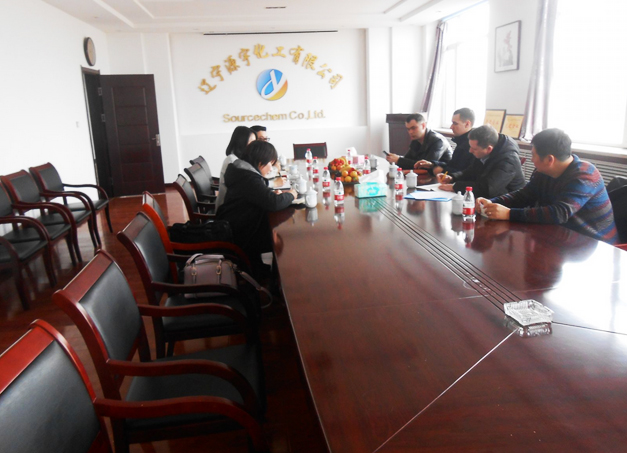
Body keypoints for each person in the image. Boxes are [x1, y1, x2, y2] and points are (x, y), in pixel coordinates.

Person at [476, 128, 617, 244]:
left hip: (594, 243)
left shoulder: (585, 175)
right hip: (561, 235)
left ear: (550, 159)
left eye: (533, 155)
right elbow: (524, 195)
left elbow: (559, 213)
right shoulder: (544, 172)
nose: (531, 159)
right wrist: (491, 203)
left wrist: (509, 213)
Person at [216, 140, 297, 275]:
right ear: (260, 162)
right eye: (270, 163)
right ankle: (274, 277)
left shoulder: (242, 171)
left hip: (237, 223)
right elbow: (273, 203)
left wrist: (271, 195)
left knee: (277, 233)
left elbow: (261, 197)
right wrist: (291, 195)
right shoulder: (248, 178)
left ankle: (265, 272)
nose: (271, 168)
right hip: (239, 231)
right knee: (285, 238)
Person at [438, 124, 525, 198]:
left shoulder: (508, 160)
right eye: (470, 147)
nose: (470, 151)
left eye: (474, 149)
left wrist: (455, 187)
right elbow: (471, 171)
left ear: (489, 149)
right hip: (489, 199)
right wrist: (452, 178)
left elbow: (488, 189)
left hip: (508, 203)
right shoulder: (483, 149)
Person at [417, 108, 476, 175]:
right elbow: (452, 165)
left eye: (455, 123)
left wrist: (443, 170)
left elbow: (466, 173)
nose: (451, 127)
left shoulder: (472, 144)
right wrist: (432, 164)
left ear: (467, 124)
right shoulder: (462, 141)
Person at [385, 113, 451, 170]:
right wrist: (395, 160)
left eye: (413, 128)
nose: (410, 132)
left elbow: (425, 166)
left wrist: (399, 160)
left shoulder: (438, 141)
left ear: (423, 125)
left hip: (444, 175)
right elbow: (408, 159)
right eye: (408, 129)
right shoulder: (416, 139)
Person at [215, 126, 256, 210]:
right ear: (241, 141)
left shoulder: (237, 158)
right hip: (227, 209)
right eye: (252, 142)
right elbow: (253, 184)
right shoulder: (234, 162)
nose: (255, 146)